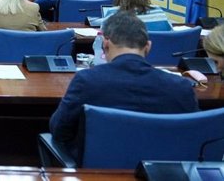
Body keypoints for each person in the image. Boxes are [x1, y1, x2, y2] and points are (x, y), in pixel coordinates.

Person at [49, 10, 198, 157]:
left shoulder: (87, 81)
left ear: (106, 44)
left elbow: (59, 130)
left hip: (99, 170)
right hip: (159, 172)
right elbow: (193, 137)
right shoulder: (181, 87)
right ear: (148, 47)